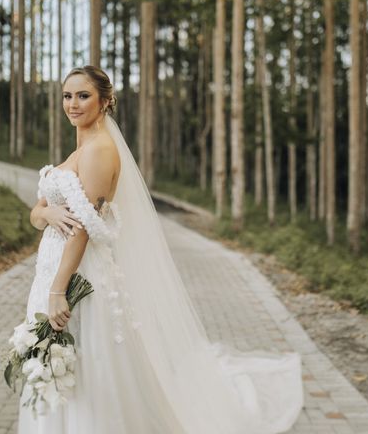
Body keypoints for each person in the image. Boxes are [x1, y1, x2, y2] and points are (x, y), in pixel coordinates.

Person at [18, 65, 304, 433]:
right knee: (65, 364)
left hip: (78, 279)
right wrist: (48, 211)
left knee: (86, 365)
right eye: (67, 95)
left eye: (83, 95)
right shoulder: (81, 147)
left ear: (105, 101)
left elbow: (82, 231)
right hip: (54, 273)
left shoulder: (100, 151)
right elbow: (36, 212)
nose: (72, 104)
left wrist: (59, 290)